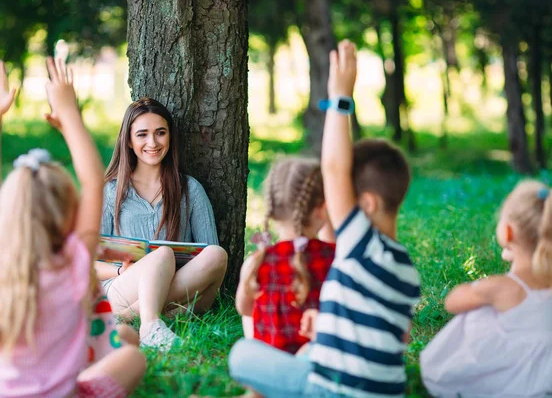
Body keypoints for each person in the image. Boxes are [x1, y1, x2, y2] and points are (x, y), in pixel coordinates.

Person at [229, 39, 421, 398]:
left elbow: (333, 168)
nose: (335, 201)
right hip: (387, 392)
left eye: (342, 196)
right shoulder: (405, 268)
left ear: (365, 204)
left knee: (242, 354)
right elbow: (402, 335)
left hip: (332, 390)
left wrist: (340, 97)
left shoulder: (358, 245)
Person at [0, 58, 145, 398]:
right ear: (68, 215)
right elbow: (93, 183)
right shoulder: (73, 264)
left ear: (7, 212)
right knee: (131, 356)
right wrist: (69, 115)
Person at [96, 97, 228, 349]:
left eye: (160, 133)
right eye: (142, 134)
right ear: (129, 141)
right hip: (121, 287)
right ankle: (151, 324)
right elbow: (87, 263)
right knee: (161, 255)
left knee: (217, 255)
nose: (152, 143)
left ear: (170, 137)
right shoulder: (110, 191)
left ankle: (139, 317)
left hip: (177, 282)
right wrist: (121, 271)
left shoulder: (190, 189)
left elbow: (209, 260)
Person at [420, 180, 552, 398]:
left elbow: (452, 302)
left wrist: (480, 286)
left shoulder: (502, 288)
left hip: (508, 386)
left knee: (479, 310)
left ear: (508, 232)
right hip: (544, 381)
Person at [235, 157, 335, 353]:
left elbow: (244, 309)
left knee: (249, 316)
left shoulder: (257, 262)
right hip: (322, 363)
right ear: (323, 209)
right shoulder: (334, 259)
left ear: (272, 208)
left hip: (274, 368)